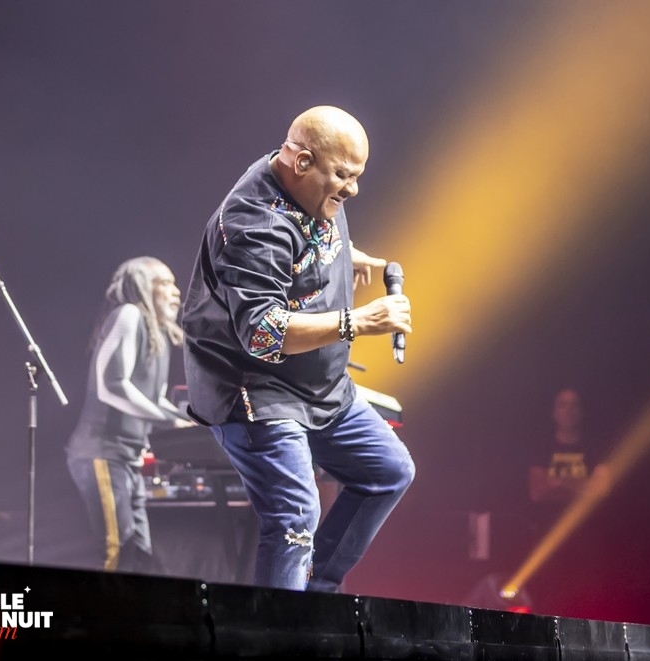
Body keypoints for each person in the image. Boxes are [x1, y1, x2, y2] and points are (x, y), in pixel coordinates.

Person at [180, 105, 416, 592]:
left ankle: (315, 596)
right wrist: (360, 321)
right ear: (303, 162)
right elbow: (263, 333)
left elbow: (308, 237)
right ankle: (281, 635)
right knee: (295, 515)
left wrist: (347, 254)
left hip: (320, 386)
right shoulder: (253, 224)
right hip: (255, 389)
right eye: (344, 177)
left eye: (357, 177)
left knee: (389, 471)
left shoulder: (308, 180)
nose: (352, 190)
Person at [66, 256, 194, 573]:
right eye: (165, 283)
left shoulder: (158, 335)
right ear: (140, 285)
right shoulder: (128, 315)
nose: (176, 291)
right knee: (117, 551)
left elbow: (156, 400)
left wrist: (191, 425)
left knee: (140, 555)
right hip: (101, 452)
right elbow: (111, 385)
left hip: (126, 459)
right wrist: (171, 421)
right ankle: (108, 621)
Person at [528, 388, 610, 503]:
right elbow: (537, 493)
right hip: (548, 519)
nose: (569, 410)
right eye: (563, 405)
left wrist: (558, 483)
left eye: (574, 405)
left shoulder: (597, 448)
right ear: (554, 413)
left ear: (582, 412)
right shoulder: (541, 447)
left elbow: (602, 490)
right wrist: (584, 484)